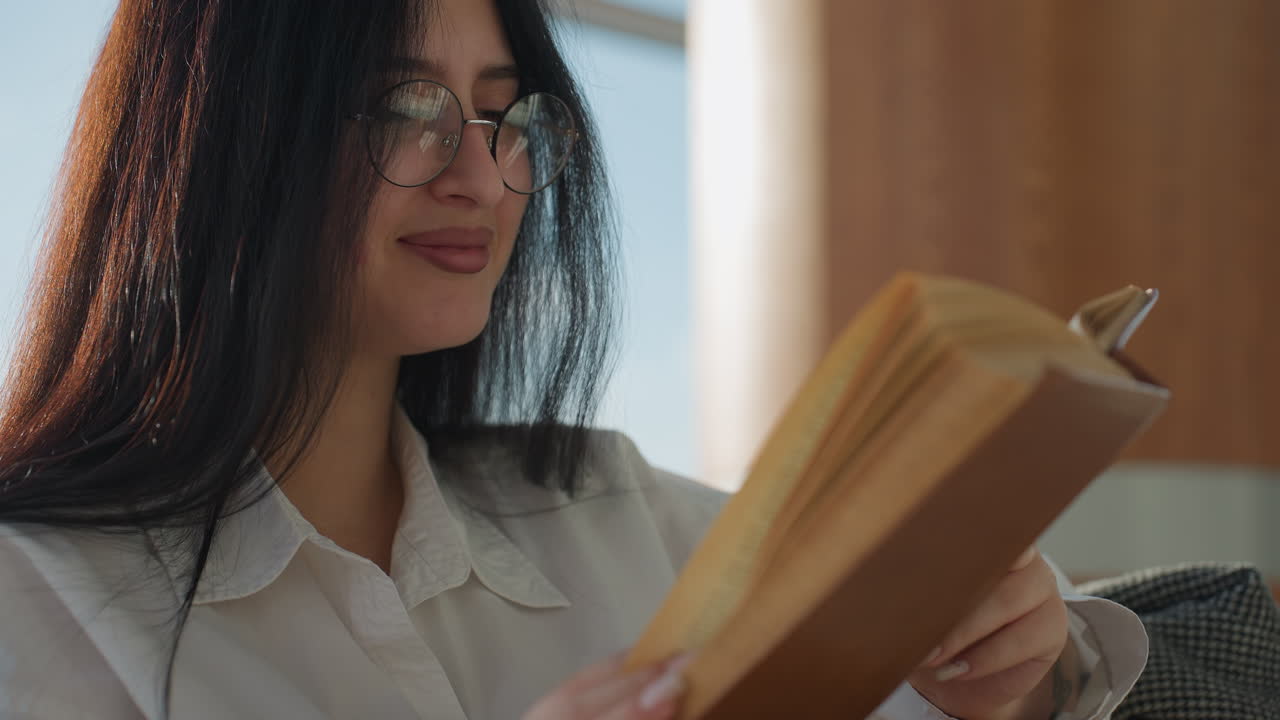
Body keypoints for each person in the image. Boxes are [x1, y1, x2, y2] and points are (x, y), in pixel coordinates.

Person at [0, 1, 1146, 718]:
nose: (480, 174)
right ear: (222, 138)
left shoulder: (614, 512)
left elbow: (993, 672)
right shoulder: (35, 601)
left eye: (508, 117)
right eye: (405, 105)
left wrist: (1018, 675)